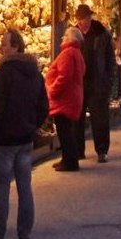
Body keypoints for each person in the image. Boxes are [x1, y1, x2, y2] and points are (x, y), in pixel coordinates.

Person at [0, 30, 46, 239]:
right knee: (25, 187)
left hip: (5, 141)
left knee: (2, 189)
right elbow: (43, 106)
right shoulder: (35, 73)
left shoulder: (3, 74)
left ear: (16, 46)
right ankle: (24, 235)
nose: (1, 48)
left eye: (4, 44)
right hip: (25, 139)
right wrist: (32, 125)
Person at [74, 4, 118, 162]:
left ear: (89, 18)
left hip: (97, 83)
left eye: (84, 19)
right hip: (80, 84)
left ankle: (102, 150)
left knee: (100, 119)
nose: (82, 23)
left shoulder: (101, 33)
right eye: (79, 20)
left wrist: (108, 82)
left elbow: (110, 59)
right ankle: (78, 151)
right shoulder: (74, 34)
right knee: (76, 120)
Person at [45, 26, 88, 171]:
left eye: (65, 35)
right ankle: (67, 158)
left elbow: (64, 76)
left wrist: (52, 90)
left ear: (70, 38)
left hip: (64, 98)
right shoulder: (76, 52)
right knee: (67, 130)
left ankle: (70, 161)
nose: (62, 37)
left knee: (65, 132)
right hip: (72, 96)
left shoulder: (68, 53)